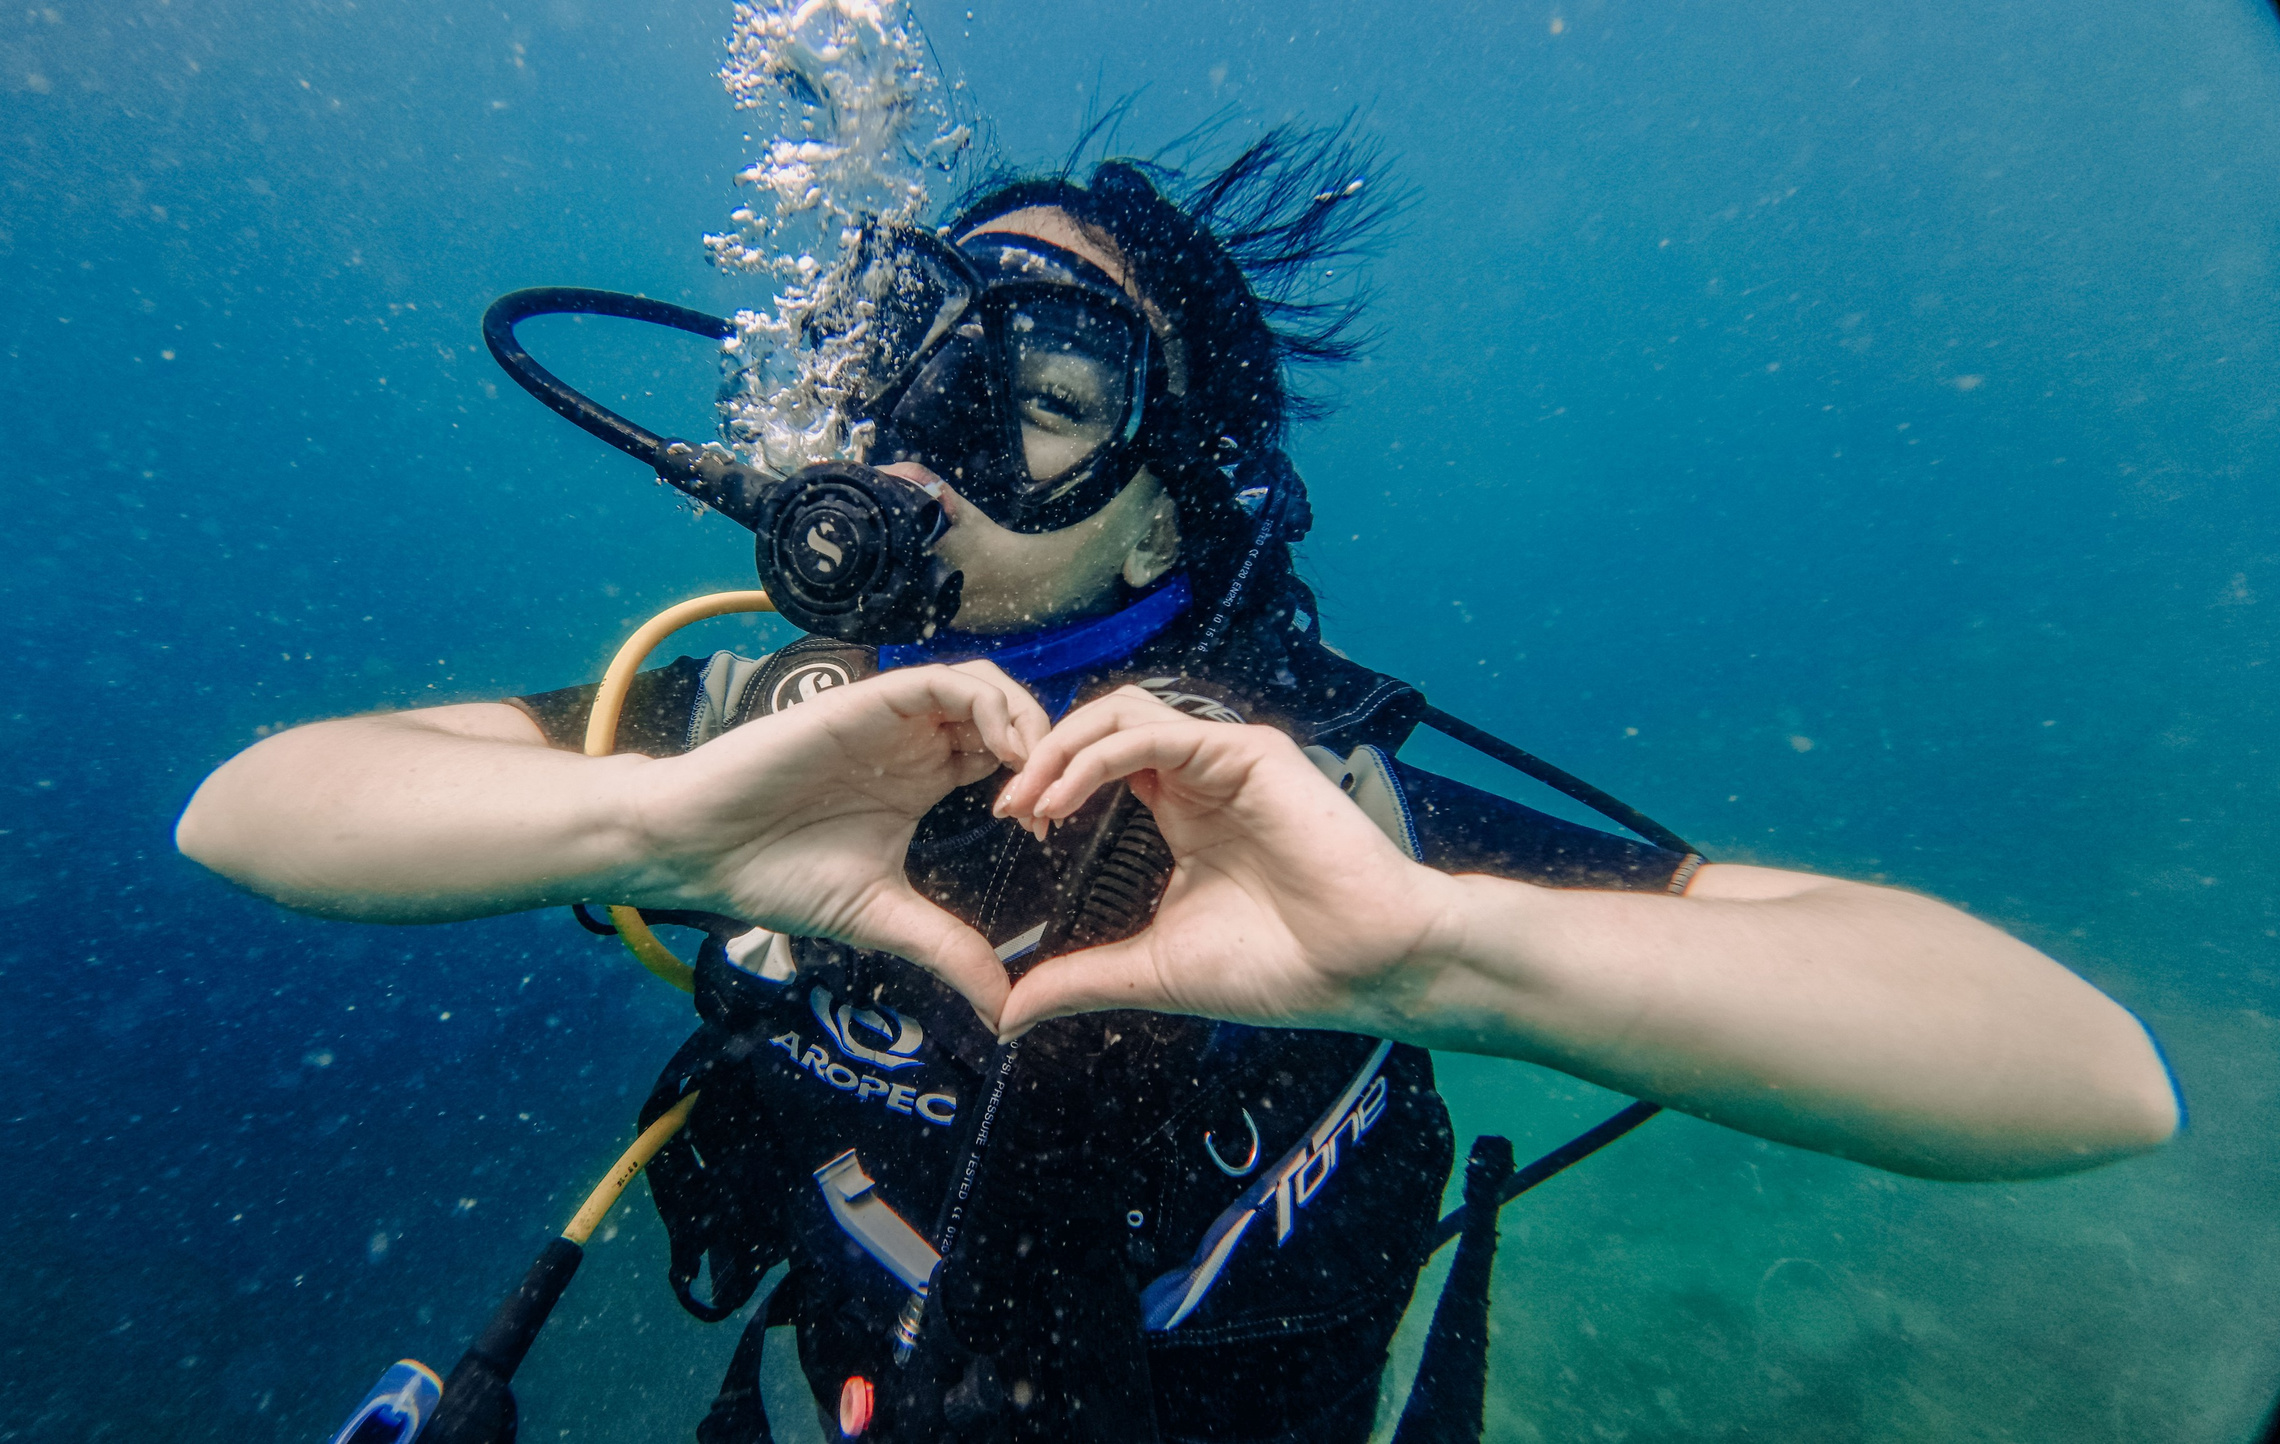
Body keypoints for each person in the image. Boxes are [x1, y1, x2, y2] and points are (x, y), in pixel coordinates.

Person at [175, 133, 2179, 1443]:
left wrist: (1447, 952)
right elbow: (255, 809)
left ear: (1162, 508)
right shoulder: (757, 725)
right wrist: (656, 825)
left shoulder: (1300, 804)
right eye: (903, 360)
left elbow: (2079, 1074)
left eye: (1041, 393)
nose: (930, 431)